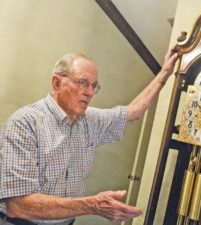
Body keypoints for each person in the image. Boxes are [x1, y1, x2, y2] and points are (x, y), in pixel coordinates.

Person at [0, 48, 179, 225]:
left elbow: (134, 112)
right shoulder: (25, 124)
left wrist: (164, 73)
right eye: (83, 83)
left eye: (94, 86)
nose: (90, 92)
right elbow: (18, 205)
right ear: (57, 83)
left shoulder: (90, 120)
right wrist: (92, 205)